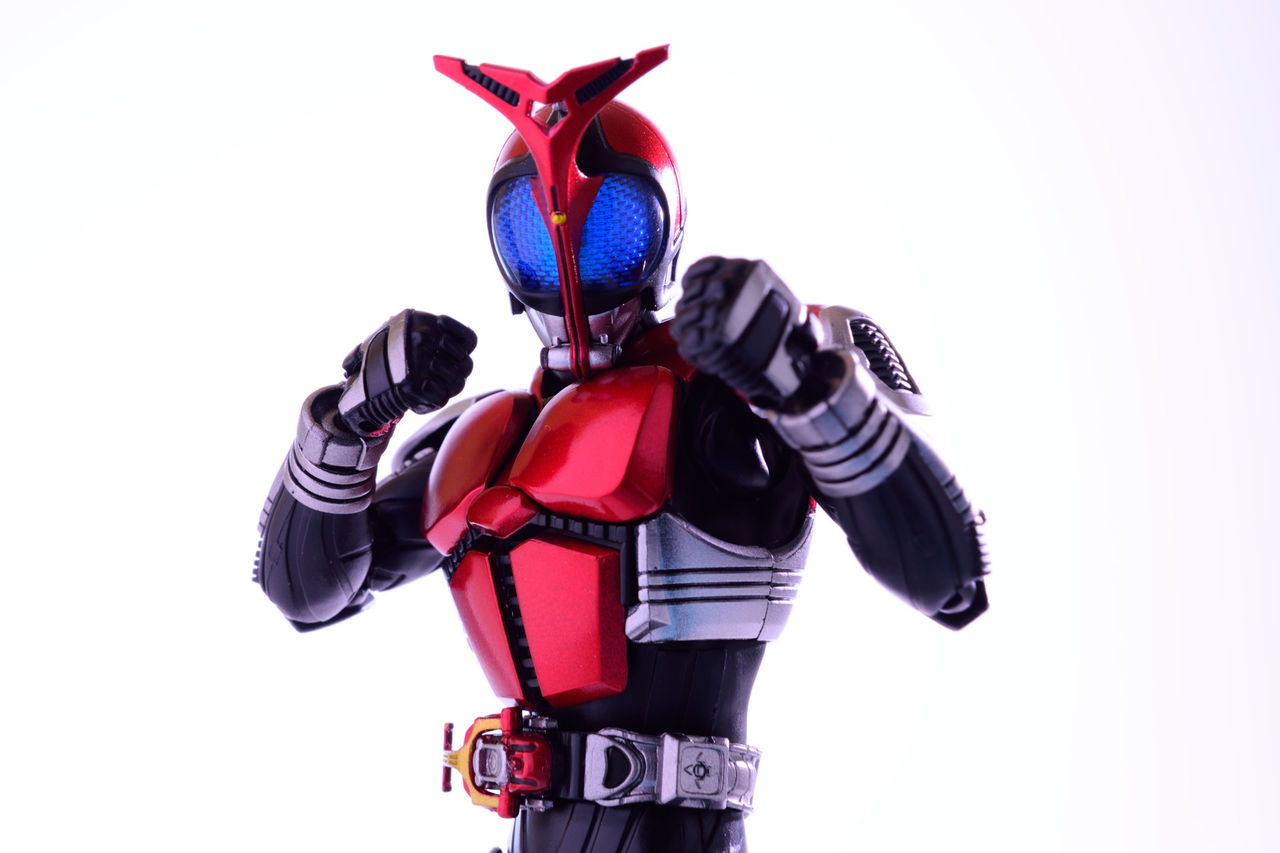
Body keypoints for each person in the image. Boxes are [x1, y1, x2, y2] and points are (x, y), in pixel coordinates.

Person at [256, 46, 988, 853]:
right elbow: (305, 593)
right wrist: (349, 419)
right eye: (531, 230)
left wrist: (804, 381)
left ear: (662, 235)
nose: (569, 255)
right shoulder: (483, 441)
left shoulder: (728, 396)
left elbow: (953, 574)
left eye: (610, 228)